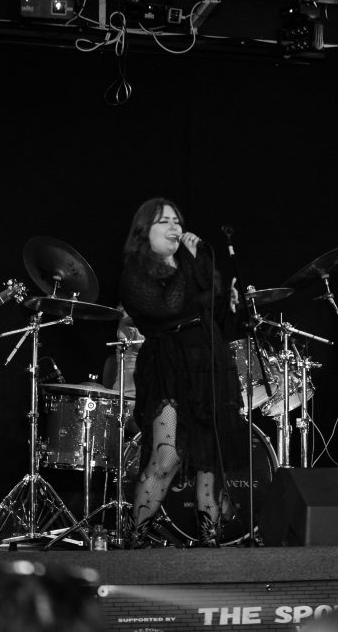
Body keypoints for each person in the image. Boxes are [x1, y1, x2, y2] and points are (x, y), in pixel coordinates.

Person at [118, 197, 246, 547]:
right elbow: (168, 307)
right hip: (169, 366)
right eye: (165, 221)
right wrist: (189, 261)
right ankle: (134, 537)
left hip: (208, 363)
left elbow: (219, 322)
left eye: (177, 221)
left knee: (210, 458)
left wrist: (230, 304)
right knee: (168, 455)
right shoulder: (136, 272)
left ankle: (209, 540)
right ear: (144, 231)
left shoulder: (197, 264)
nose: (175, 227)